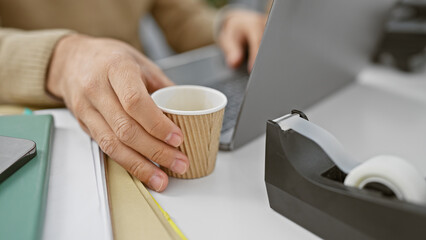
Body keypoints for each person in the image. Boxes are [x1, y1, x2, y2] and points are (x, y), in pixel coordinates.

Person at [0, 0, 267, 192]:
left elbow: (181, 16)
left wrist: (225, 25)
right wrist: (61, 59)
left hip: (136, 113)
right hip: (33, 120)